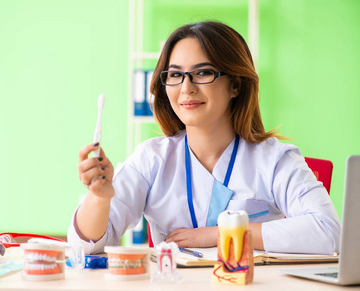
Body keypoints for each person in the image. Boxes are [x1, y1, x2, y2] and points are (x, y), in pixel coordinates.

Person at [67, 21, 341, 255]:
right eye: (175, 74)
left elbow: (328, 232)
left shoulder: (275, 159)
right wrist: (99, 198)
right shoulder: (152, 158)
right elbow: (84, 247)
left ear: (235, 84)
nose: (186, 88)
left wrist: (220, 234)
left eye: (202, 73)